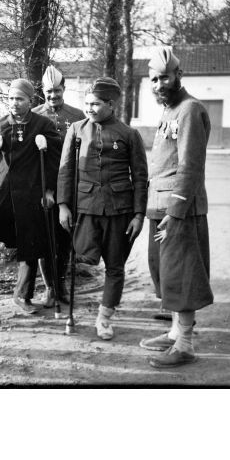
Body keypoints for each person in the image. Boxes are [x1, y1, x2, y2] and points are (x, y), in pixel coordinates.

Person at [58, 77, 148, 341]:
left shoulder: (129, 135)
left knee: (115, 267)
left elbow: (140, 177)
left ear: (110, 104)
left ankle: (105, 317)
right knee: (80, 257)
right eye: (87, 103)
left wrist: (139, 214)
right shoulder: (76, 130)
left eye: (95, 104)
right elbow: (66, 171)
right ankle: (59, 298)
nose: (90, 108)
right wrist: (63, 205)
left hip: (119, 211)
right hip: (85, 209)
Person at [139, 47, 213, 368]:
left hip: (179, 210)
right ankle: (173, 333)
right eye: (153, 79)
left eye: (164, 77)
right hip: (159, 208)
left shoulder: (189, 110)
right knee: (165, 273)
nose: (158, 84)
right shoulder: (169, 111)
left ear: (178, 75)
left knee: (182, 274)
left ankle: (185, 344)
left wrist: (175, 211)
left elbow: (190, 166)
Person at [0, 78, 62, 314]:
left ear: (30, 100)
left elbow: (53, 162)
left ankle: (23, 295)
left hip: (31, 195)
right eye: (11, 98)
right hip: (5, 196)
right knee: (11, 241)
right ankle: (19, 292)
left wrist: (50, 190)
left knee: (31, 244)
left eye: (19, 99)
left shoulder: (44, 125)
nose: (14, 103)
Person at [32, 65, 85, 307]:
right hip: (43, 185)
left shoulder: (77, 115)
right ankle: (49, 288)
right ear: (43, 91)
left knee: (65, 237)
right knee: (44, 238)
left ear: (64, 89)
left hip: (69, 185)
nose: (53, 96)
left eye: (57, 91)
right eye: (49, 92)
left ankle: (61, 283)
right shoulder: (34, 115)